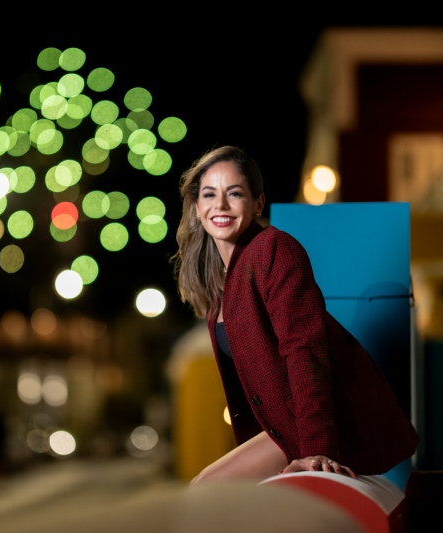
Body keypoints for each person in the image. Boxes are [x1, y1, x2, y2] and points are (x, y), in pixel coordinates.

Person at [170, 145, 419, 484]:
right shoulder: (220, 290)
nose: (221, 205)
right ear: (197, 208)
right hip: (281, 430)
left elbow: (304, 350)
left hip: (319, 428)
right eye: (210, 194)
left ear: (258, 203)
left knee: (205, 491)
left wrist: (318, 447)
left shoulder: (274, 249)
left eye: (235, 193)